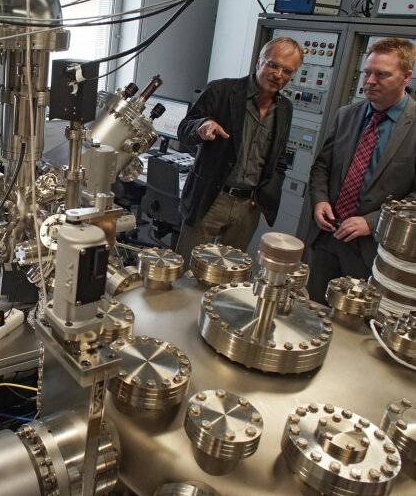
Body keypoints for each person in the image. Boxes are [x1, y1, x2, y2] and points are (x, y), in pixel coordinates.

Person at [176, 36, 303, 268]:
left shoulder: (285, 108)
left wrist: (265, 195)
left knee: (228, 275)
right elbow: (185, 129)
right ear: (259, 62)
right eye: (273, 65)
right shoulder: (222, 90)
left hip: (249, 206)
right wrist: (201, 127)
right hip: (212, 198)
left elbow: (279, 160)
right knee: (188, 271)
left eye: (287, 71)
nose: (278, 75)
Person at [307, 37, 416, 304]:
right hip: (328, 239)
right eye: (366, 72)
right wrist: (320, 200)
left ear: (406, 77)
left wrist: (371, 222)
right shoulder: (347, 115)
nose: (369, 81)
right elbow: (322, 166)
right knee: (312, 312)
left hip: (373, 249)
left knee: (354, 329)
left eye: (382, 74)